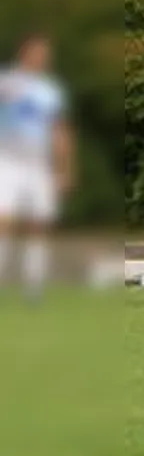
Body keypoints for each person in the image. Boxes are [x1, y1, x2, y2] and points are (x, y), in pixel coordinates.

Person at [0, 34, 72, 300]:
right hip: (8, 160)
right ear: (24, 53)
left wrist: (64, 169)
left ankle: (33, 285)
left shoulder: (49, 90)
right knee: (5, 219)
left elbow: (59, 130)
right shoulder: (7, 82)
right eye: (36, 53)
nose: (41, 58)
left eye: (44, 54)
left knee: (39, 224)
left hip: (39, 164)